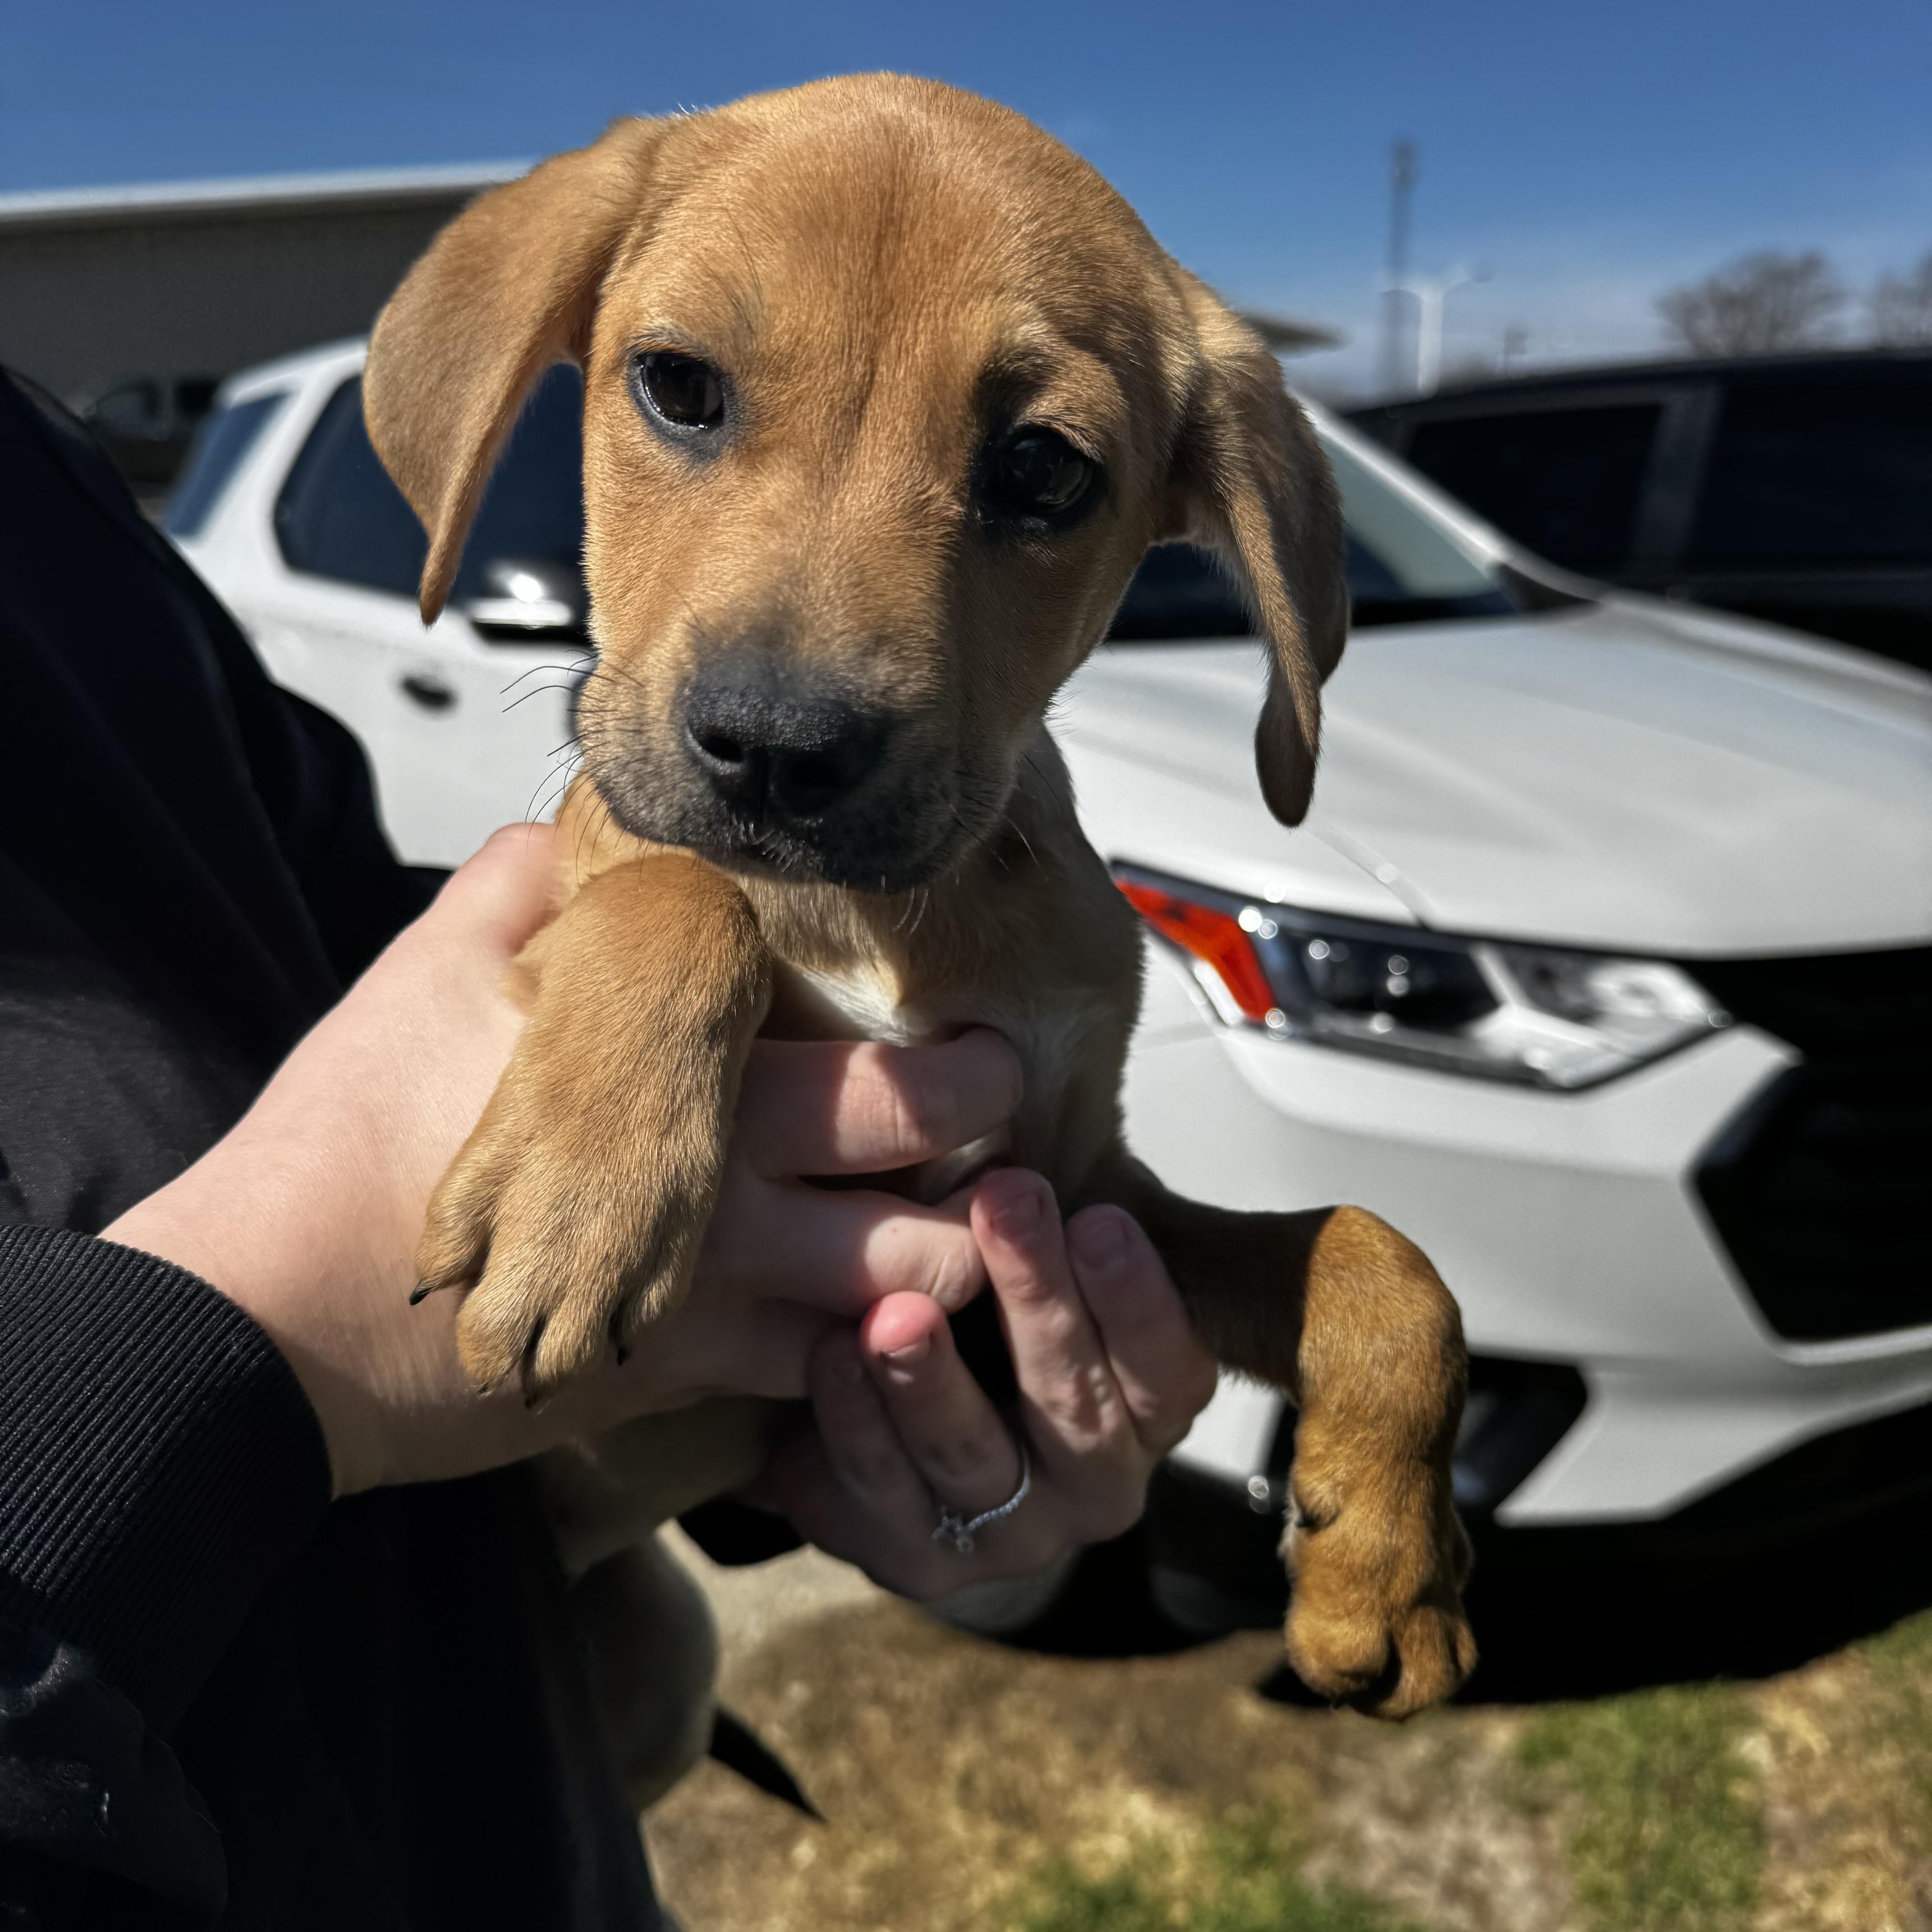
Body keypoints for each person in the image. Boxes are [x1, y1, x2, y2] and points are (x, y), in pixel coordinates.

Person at [0, 366, 1216, 1929]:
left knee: (657, 1672)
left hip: (504, 1799)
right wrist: (241, 1346)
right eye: (685, 397)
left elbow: (348, 931)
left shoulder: (36, 475)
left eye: (1036, 473)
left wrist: (821, 1413)